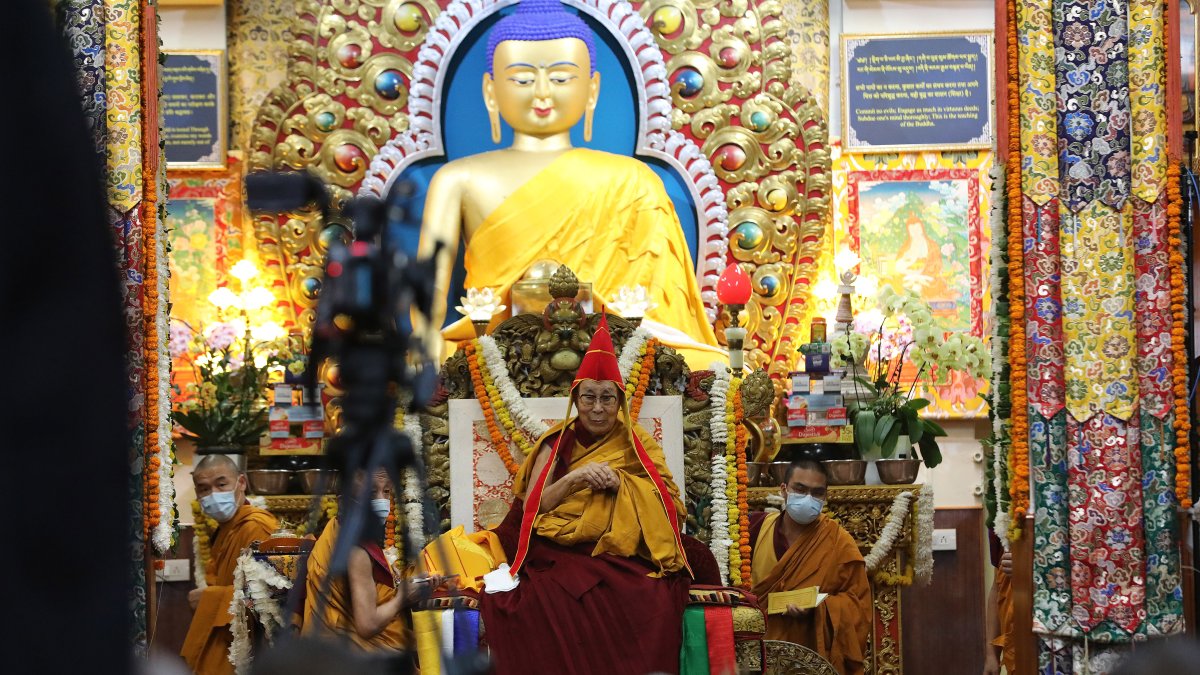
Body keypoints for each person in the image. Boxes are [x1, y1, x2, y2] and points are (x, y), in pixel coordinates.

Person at [417, 0, 722, 366]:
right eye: (522, 79)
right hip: (498, 351)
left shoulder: (632, 180)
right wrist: (422, 338)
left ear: (592, 89)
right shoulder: (458, 178)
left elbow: (657, 314)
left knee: (708, 368)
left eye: (561, 77)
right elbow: (427, 280)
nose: (542, 92)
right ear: (490, 90)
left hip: (610, 350)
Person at [480, 314, 692, 674]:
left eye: (607, 398)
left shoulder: (637, 444)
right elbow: (535, 506)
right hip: (563, 547)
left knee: (647, 594)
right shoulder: (556, 442)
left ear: (619, 401)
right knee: (547, 597)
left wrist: (624, 486)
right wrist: (574, 479)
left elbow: (670, 504)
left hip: (622, 548)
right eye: (589, 397)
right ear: (576, 399)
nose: (597, 408)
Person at [749, 460, 872, 675]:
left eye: (817, 492)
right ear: (784, 490)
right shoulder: (756, 529)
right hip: (759, 652)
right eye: (800, 489)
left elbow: (859, 606)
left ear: (825, 496)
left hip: (810, 659)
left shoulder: (838, 541)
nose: (808, 498)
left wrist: (819, 608)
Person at [302, 469, 435, 655]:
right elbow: (367, 625)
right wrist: (402, 598)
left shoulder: (337, 528)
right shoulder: (355, 548)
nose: (381, 501)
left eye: (386, 491)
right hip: (352, 657)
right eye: (371, 493)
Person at [182, 454, 280, 674]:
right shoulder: (226, 528)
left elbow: (270, 598)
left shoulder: (257, 527)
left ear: (241, 483)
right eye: (204, 489)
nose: (212, 494)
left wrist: (210, 598)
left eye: (221, 484)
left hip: (249, 648)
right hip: (227, 638)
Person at [983, 531, 1014, 675]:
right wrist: (991, 654)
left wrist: (1026, 569)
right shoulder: (1004, 526)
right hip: (1014, 648)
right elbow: (997, 588)